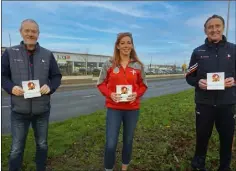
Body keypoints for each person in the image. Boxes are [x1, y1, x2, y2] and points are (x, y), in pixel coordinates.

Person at [1, 19, 62, 171]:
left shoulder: (47, 54)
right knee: (16, 147)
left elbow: (56, 76)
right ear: (21, 32)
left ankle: (41, 168)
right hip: (19, 111)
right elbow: (2, 76)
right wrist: (10, 87)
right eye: (27, 30)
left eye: (34, 31)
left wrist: (51, 86)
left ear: (38, 34)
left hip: (42, 110)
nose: (30, 34)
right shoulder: (9, 53)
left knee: (42, 144)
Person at [185, 14, 236, 171]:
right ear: (205, 30)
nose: (214, 29)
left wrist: (234, 81)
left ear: (223, 27)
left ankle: (224, 167)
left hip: (227, 104)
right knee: (202, 138)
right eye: (210, 27)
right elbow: (189, 75)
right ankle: (199, 165)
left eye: (217, 26)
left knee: (227, 139)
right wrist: (198, 83)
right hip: (204, 104)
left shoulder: (233, 50)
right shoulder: (198, 52)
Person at [97, 32, 148, 171]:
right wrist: (110, 94)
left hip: (132, 109)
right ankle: (109, 168)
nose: (126, 45)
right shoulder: (109, 64)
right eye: (123, 43)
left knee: (128, 141)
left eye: (129, 42)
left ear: (132, 45)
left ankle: (124, 168)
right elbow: (100, 83)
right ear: (118, 46)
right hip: (114, 108)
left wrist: (136, 95)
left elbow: (144, 85)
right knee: (111, 143)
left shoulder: (138, 65)